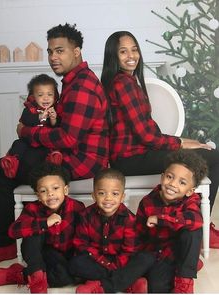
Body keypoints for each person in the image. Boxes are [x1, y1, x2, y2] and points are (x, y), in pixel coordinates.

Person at [0, 23, 109, 266]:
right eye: (50, 51)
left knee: (0, 170)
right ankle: (19, 230)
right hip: (67, 154)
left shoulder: (82, 85)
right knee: (13, 162)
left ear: (76, 51)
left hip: (81, 160)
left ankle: (2, 243)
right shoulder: (72, 81)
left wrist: (26, 132)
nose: (53, 57)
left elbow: (68, 139)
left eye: (60, 50)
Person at [100, 30, 219, 249]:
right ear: (113, 57)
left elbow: (149, 131)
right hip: (131, 159)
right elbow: (147, 137)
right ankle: (200, 225)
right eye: (123, 51)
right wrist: (183, 144)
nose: (131, 56)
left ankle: (192, 222)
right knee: (214, 156)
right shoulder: (122, 84)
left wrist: (186, 141)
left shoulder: (127, 82)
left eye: (134, 49)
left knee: (205, 154)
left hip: (136, 155)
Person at [0, 162, 85, 293]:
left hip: (63, 256)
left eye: (55, 188)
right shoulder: (32, 209)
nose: (50, 194)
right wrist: (45, 222)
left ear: (65, 190)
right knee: (33, 231)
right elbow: (13, 231)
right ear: (38, 195)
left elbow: (84, 234)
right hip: (41, 254)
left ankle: (21, 275)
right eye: (44, 191)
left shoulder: (77, 207)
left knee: (67, 276)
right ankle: (36, 277)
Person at [69, 168, 156, 293]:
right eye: (102, 193)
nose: (108, 198)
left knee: (146, 258)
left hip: (121, 260)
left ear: (122, 197)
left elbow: (129, 251)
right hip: (96, 260)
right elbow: (81, 244)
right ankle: (128, 283)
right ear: (94, 195)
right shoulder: (85, 215)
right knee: (75, 264)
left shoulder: (129, 219)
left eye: (114, 194)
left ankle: (101, 285)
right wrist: (106, 264)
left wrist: (115, 265)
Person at [135, 150, 208, 293]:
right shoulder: (147, 202)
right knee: (158, 287)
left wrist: (160, 219)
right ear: (162, 177)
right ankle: (189, 264)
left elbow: (196, 221)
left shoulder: (191, 201)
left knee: (193, 230)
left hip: (179, 249)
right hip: (159, 254)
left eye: (182, 182)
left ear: (189, 191)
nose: (173, 184)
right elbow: (138, 234)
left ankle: (185, 280)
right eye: (169, 177)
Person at [0, 73, 63, 179]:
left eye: (49, 94)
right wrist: (39, 117)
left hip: (44, 142)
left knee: (51, 146)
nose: (45, 98)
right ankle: (12, 162)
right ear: (33, 97)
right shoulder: (30, 109)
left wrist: (53, 119)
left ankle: (52, 159)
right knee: (18, 144)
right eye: (40, 95)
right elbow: (26, 120)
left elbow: (56, 127)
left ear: (55, 96)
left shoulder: (54, 110)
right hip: (29, 141)